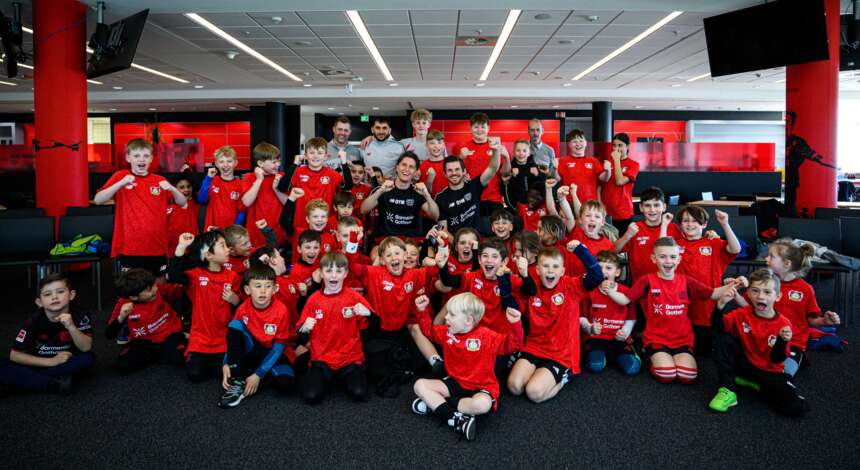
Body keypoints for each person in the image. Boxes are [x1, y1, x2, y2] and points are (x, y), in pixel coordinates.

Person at [604, 237, 737, 384]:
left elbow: (713, 294)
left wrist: (735, 284)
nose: (668, 261)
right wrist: (609, 290)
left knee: (687, 376)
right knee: (667, 374)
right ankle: (648, 353)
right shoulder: (646, 280)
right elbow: (624, 300)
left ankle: (673, 356)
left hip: (682, 339)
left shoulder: (686, 281)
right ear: (654, 259)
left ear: (679, 259)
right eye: (662, 257)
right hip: (656, 337)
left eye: (673, 257)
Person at [411, 293, 524, 441]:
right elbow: (429, 331)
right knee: (419, 385)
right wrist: (422, 311)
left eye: (451, 315)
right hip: (455, 383)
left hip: (482, 386)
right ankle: (456, 419)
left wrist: (515, 324)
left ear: (468, 320)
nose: (446, 318)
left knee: (482, 405)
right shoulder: (447, 333)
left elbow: (513, 345)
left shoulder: (486, 336)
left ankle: (436, 405)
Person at [507, 244, 603, 403]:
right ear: (537, 270)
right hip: (535, 346)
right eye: (545, 266)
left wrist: (581, 250)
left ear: (562, 271)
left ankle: (565, 376)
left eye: (555, 266)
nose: (550, 270)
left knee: (534, 393)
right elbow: (515, 296)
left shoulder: (570, 286)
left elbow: (597, 276)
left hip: (561, 353)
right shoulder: (531, 286)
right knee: (514, 387)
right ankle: (539, 372)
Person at [709, 269, 807, 416]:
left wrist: (781, 340)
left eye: (767, 292)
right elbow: (719, 326)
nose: (760, 296)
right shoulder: (742, 313)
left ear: (778, 296)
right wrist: (720, 305)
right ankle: (728, 389)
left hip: (770, 371)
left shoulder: (783, 324)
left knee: (794, 408)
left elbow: (777, 359)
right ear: (748, 293)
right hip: (745, 364)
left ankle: (756, 384)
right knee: (722, 338)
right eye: (755, 291)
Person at [94, 138, 187, 274]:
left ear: (151, 159)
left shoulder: (159, 180)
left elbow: (182, 202)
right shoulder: (120, 176)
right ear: (128, 158)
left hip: (157, 245)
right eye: (136, 156)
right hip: (130, 246)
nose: (141, 160)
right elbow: (98, 200)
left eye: (145, 156)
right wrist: (120, 183)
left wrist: (172, 189)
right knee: (132, 287)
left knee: (158, 285)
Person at [297, 252, 373, 404]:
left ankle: (346, 375)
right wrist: (304, 329)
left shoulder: (354, 297)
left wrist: (369, 314)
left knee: (359, 394)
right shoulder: (313, 300)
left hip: (350, 358)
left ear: (345, 274)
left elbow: (372, 329)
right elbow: (300, 334)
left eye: (338, 271)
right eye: (329, 271)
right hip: (322, 358)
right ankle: (329, 377)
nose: (333, 276)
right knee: (310, 397)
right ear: (321, 273)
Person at [0, 274, 94, 395]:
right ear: (39, 302)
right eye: (47, 294)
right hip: (40, 361)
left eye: (60, 292)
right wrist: (52, 362)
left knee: (87, 359)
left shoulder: (80, 314)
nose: (54, 297)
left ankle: (21, 383)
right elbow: (15, 355)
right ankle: (53, 384)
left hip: (67, 360)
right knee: (3, 364)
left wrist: (71, 327)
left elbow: (86, 347)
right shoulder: (33, 321)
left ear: (71, 295)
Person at [168, 231, 242, 382]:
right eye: (223, 246)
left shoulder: (232, 276)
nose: (228, 249)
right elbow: (174, 275)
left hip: (223, 337)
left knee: (221, 373)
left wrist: (235, 300)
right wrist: (181, 246)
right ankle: (187, 344)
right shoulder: (195, 276)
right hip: (200, 338)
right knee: (195, 374)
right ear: (208, 255)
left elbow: (241, 307)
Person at [219, 265, 296, 408]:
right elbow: (232, 339)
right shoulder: (243, 309)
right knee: (235, 325)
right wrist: (226, 362)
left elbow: (278, 347)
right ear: (248, 290)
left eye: (268, 286)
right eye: (258, 286)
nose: (263, 291)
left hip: (272, 351)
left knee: (286, 385)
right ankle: (238, 380)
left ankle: (253, 375)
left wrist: (258, 375)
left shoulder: (281, 311)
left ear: (275, 289)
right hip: (252, 350)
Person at [762, 239, 840, 377]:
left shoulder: (805, 289)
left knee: (782, 374)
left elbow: (812, 320)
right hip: (764, 337)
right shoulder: (766, 283)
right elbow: (748, 307)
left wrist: (824, 322)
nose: (766, 258)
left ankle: (799, 357)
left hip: (793, 342)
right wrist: (734, 293)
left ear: (786, 264)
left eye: (771, 256)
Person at [676, 206, 741, 355]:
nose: (690, 224)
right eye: (685, 221)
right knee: (684, 345)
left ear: (704, 224)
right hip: (681, 304)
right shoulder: (675, 244)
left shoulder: (713, 243)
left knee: (705, 351)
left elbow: (736, 249)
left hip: (706, 307)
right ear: (680, 225)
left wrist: (725, 223)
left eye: (695, 221)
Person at [106, 268, 187, 374]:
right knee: (123, 366)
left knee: (180, 358)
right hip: (144, 341)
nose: (155, 289)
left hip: (170, 334)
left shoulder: (158, 289)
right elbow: (109, 334)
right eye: (149, 290)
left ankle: (165, 352)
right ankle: (159, 355)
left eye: (153, 286)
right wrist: (121, 317)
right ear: (134, 297)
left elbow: (181, 290)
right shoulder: (124, 304)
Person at [580, 251, 640, 375]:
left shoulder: (626, 291)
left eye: (608, 268)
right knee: (595, 366)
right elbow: (582, 317)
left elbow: (631, 317)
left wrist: (625, 332)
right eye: (599, 267)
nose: (603, 271)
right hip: (596, 338)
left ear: (617, 272)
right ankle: (603, 355)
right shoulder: (589, 292)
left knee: (632, 369)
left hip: (618, 338)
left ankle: (618, 354)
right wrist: (590, 328)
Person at [278, 137, 352, 234]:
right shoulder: (298, 172)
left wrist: (344, 162)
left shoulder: (332, 174)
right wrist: (295, 164)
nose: (315, 156)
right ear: (305, 156)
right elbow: (282, 187)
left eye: (320, 153)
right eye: (312, 153)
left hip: (325, 224)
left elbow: (348, 187)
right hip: (302, 224)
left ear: (326, 156)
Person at [360, 152, 439, 243]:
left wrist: (427, 195)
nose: (406, 169)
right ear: (397, 167)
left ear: (416, 172)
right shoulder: (383, 189)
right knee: (376, 256)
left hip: (410, 241)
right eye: (404, 165)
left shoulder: (418, 192)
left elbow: (435, 215)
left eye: (411, 167)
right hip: (386, 240)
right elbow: (363, 210)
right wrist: (380, 191)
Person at [614, 187, 683, 282]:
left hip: (669, 283)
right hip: (641, 284)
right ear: (641, 208)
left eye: (656, 205)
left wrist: (709, 235)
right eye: (647, 205)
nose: (652, 209)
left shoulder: (673, 228)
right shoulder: (634, 228)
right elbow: (613, 251)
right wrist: (627, 235)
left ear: (664, 207)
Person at [436, 137, 502, 233]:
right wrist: (458, 245)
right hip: (456, 243)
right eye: (450, 170)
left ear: (464, 171)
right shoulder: (441, 198)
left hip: (476, 241)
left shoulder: (474, 186)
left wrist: (496, 150)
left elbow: (492, 169)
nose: (454, 173)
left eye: (457, 169)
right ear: (445, 174)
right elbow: (443, 231)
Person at [452, 112, 511, 216]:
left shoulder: (496, 147)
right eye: (476, 127)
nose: (479, 130)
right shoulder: (463, 148)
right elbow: (453, 173)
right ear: (471, 128)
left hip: (493, 198)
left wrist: (506, 157)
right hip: (470, 198)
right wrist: (460, 158)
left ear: (488, 128)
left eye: (483, 127)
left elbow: (505, 173)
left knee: (494, 230)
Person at [241, 142, 289, 247]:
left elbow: (288, 204)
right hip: (255, 234)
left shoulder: (282, 177)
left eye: (279, 161)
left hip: (279, 233)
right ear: (260, 163)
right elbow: (246, 202)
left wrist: (276, 189)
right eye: (274, 162)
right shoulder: (249, 178)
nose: (278, 164)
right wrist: (259, 180)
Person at [556, 129, 610, 204]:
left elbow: (604, 178)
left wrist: (608, 171)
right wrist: (554, 168)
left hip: (589, 204)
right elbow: (557, 179)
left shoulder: (593, 161)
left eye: (581, 141)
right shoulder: (563, 161)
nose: (578, 144)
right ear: (569, 144)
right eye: (574, 141)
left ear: (586, 143)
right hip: (569, 203)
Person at [198, 145, 245, 229]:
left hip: (231, 231)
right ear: (216, 164)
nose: (225, 165)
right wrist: (208, 178)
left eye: (229, 161)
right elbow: (202, 199)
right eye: (221, 161)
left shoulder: (241, 184)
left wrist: (234, 228)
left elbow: (241, 211)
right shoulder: (211, 181)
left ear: (235, 163)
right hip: (212, 229)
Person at [601, 133, 640, 233]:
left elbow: (620, 181)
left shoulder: (633, 164)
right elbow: (599, 185)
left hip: (623, 211)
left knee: (621, 243)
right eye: (614, 145)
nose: (616, 148)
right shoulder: (607, 162)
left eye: (620, 145)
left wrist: (617, 160)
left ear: (627, 146)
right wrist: (599, 203)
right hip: (605, 211)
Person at [165, 175, 199, 257]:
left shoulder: (198, 205)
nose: (186, 189)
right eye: (182, 187)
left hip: (193, 252)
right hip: (172, 252)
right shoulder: (168, 208)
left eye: (188, 186)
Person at [504, 138, 543, 208]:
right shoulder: (509, 168)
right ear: (513, 152)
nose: (521, 153)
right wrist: (511, 178)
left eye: (524, 151)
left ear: (529, 153)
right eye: (518, 150)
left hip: (534, 208)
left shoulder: (535, 168)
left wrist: (538, 175)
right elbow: (505, 191)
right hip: (516, 208)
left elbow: (543, 187)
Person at [420, 129, 449, 197]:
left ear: (444, 145)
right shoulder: (422, 166)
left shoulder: (450, 163)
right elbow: (424, 192)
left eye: (439, 142)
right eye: (432, 143)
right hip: (431, 203)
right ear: (426, 145)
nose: (436, 146)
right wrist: (430, 180)